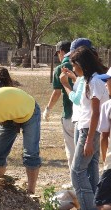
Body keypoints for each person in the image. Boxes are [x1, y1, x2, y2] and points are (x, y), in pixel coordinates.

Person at [60, 46, 108, 210]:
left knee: (77, 172)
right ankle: (97, 204)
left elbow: (95, 113)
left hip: (89, 131)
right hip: (90, 130)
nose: (73, 68)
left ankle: (89, 207)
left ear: (82, 64)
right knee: (91, 170)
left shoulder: (94, 82)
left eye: (75, 65)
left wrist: (88, 140)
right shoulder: (91, 80)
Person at [43, 41, 75, 171]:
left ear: (61, 51)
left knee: (72, 151)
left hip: (70, 114)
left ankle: (76, 183)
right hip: (89, 115)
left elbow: (57, 92)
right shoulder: (85, 63)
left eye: (58, 53)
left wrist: (48, 109)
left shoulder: (61, 68)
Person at [94, 68, 111, 210]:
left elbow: (104, 136)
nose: (105, 84)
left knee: (102, 202)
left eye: (108, 80)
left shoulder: (107, 106)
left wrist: (105, 160)